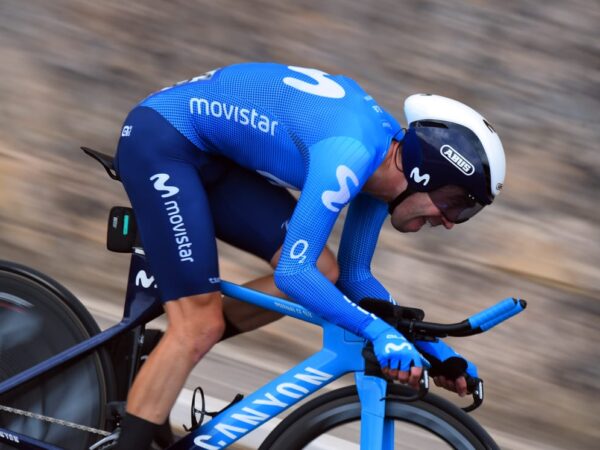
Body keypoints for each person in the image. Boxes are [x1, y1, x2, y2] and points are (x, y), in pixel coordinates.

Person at [112, 62, 505, 449]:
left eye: (465, 212)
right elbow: (292, 273)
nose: (450, 222)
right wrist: (377, 332)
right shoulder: (350, 154)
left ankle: (161, 356)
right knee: (199, 324)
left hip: (214, 158)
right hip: (164, 141)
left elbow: (355, 276)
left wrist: (436, 352)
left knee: (324, 270)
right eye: (454, 203)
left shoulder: (385, 169)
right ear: (425, 173)